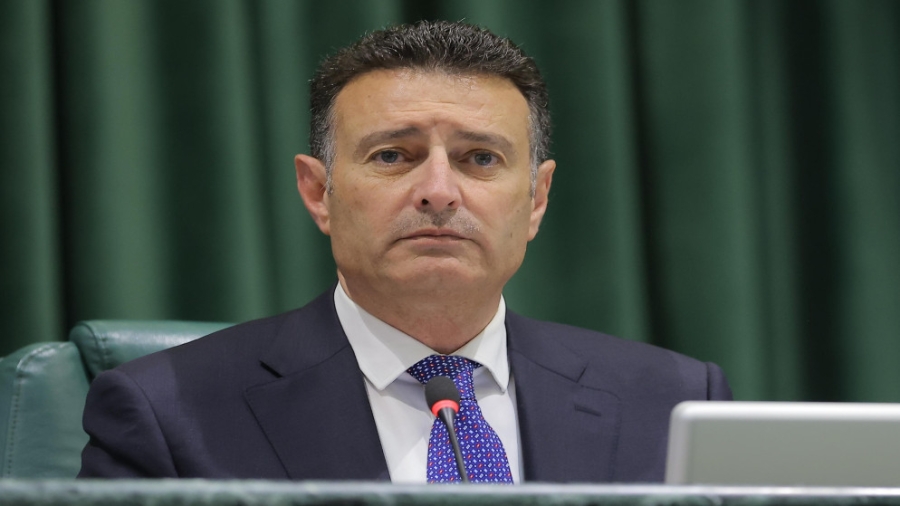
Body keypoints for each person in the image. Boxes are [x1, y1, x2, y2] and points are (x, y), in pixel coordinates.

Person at [79, 20, 731, 483]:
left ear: (536, 199)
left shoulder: (674, 402)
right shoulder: (166, 412)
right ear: (319, 192)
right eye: (393, 155)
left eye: (481, 158)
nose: (439, 191)